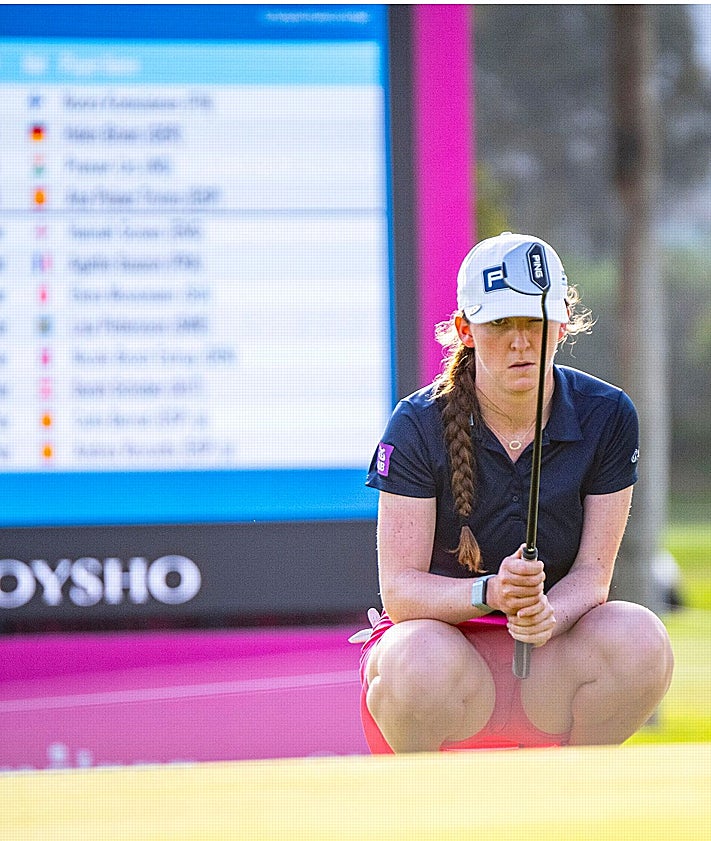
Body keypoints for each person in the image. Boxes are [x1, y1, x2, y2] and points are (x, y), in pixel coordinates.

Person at [354, 231, 674, 752]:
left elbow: (594, 576)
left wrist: (550, 614)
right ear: (466, 330)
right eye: (500, 323)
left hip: (550, 661)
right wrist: (490, 593)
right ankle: (428, 817)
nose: (521, 342)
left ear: (563, 324)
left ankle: (575, 807)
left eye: (534, 321)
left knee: (640, 639)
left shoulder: (609, 415)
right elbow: (401, 590)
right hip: (444, 661)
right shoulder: (415, 423)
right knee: (415, 658)